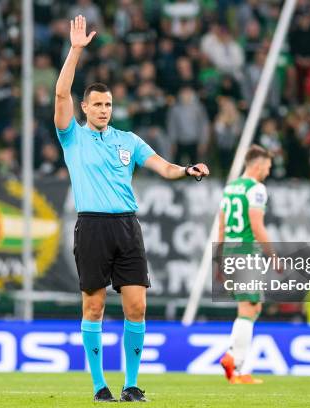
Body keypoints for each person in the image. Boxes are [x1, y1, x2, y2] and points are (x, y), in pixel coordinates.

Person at [54, 15, 209, 403]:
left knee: (137, 306)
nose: (104, 110)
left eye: (108, 104)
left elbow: (163, 167)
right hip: (91, 226)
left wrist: (187, 170)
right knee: (94, 305)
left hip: (126, 226)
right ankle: (98, 386)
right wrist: (75, 51)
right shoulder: (71, 137)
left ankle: (132, 385)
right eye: (97, 104)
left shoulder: (128, 140)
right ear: (85, 108)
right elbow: (60, 96)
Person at [218, 145, 276, 385]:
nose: (268, 172)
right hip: (246, 251)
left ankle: (234, 358)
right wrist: (272, 254)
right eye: (267, 167)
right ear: (257, 165)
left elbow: (221, 226)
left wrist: (218, 260)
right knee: (247, 308)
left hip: (230, 250)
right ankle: (236, 364)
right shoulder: (256, 189)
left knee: (254, 306)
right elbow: (256, 225)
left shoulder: (230, 187)